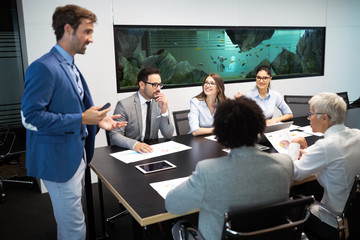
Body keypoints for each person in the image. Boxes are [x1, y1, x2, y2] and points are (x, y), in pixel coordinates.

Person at [21, 5, 126, 240]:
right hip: (58, 161)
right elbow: (32, 116)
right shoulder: (44, 67)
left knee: (72, 222)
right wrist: (81, 118)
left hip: (75, 155)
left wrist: (99, 121)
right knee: (74, 228)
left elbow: (71, 108)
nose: (91, 39)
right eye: (87, 32)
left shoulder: (69, 65)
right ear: (68, 29)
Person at [165, 97, 294, 240]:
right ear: (260, 126)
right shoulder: (285, 164)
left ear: (220, 133)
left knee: (178, 226)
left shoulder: (208, 171)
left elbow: (172, 205)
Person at [287, 92, 360, 240]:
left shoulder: (326, 146)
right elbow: (335, 157)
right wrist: (308, 153)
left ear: (325, 117)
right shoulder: (357, 134)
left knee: (290, 205)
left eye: (311, 114)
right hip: (355, 217)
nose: (308, 118)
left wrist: (294, 144)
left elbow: (292, 173)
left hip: (333, 222)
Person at [110, 68, 174, 153]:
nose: (158, 89)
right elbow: (115, 135)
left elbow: (168, 134)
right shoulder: (124, 105)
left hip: (152, 151)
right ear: (142, 85)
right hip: (130, 151)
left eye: (160, 84)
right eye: (154, 85)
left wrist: (164, 112)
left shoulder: (160, 102)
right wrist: (135, 145)